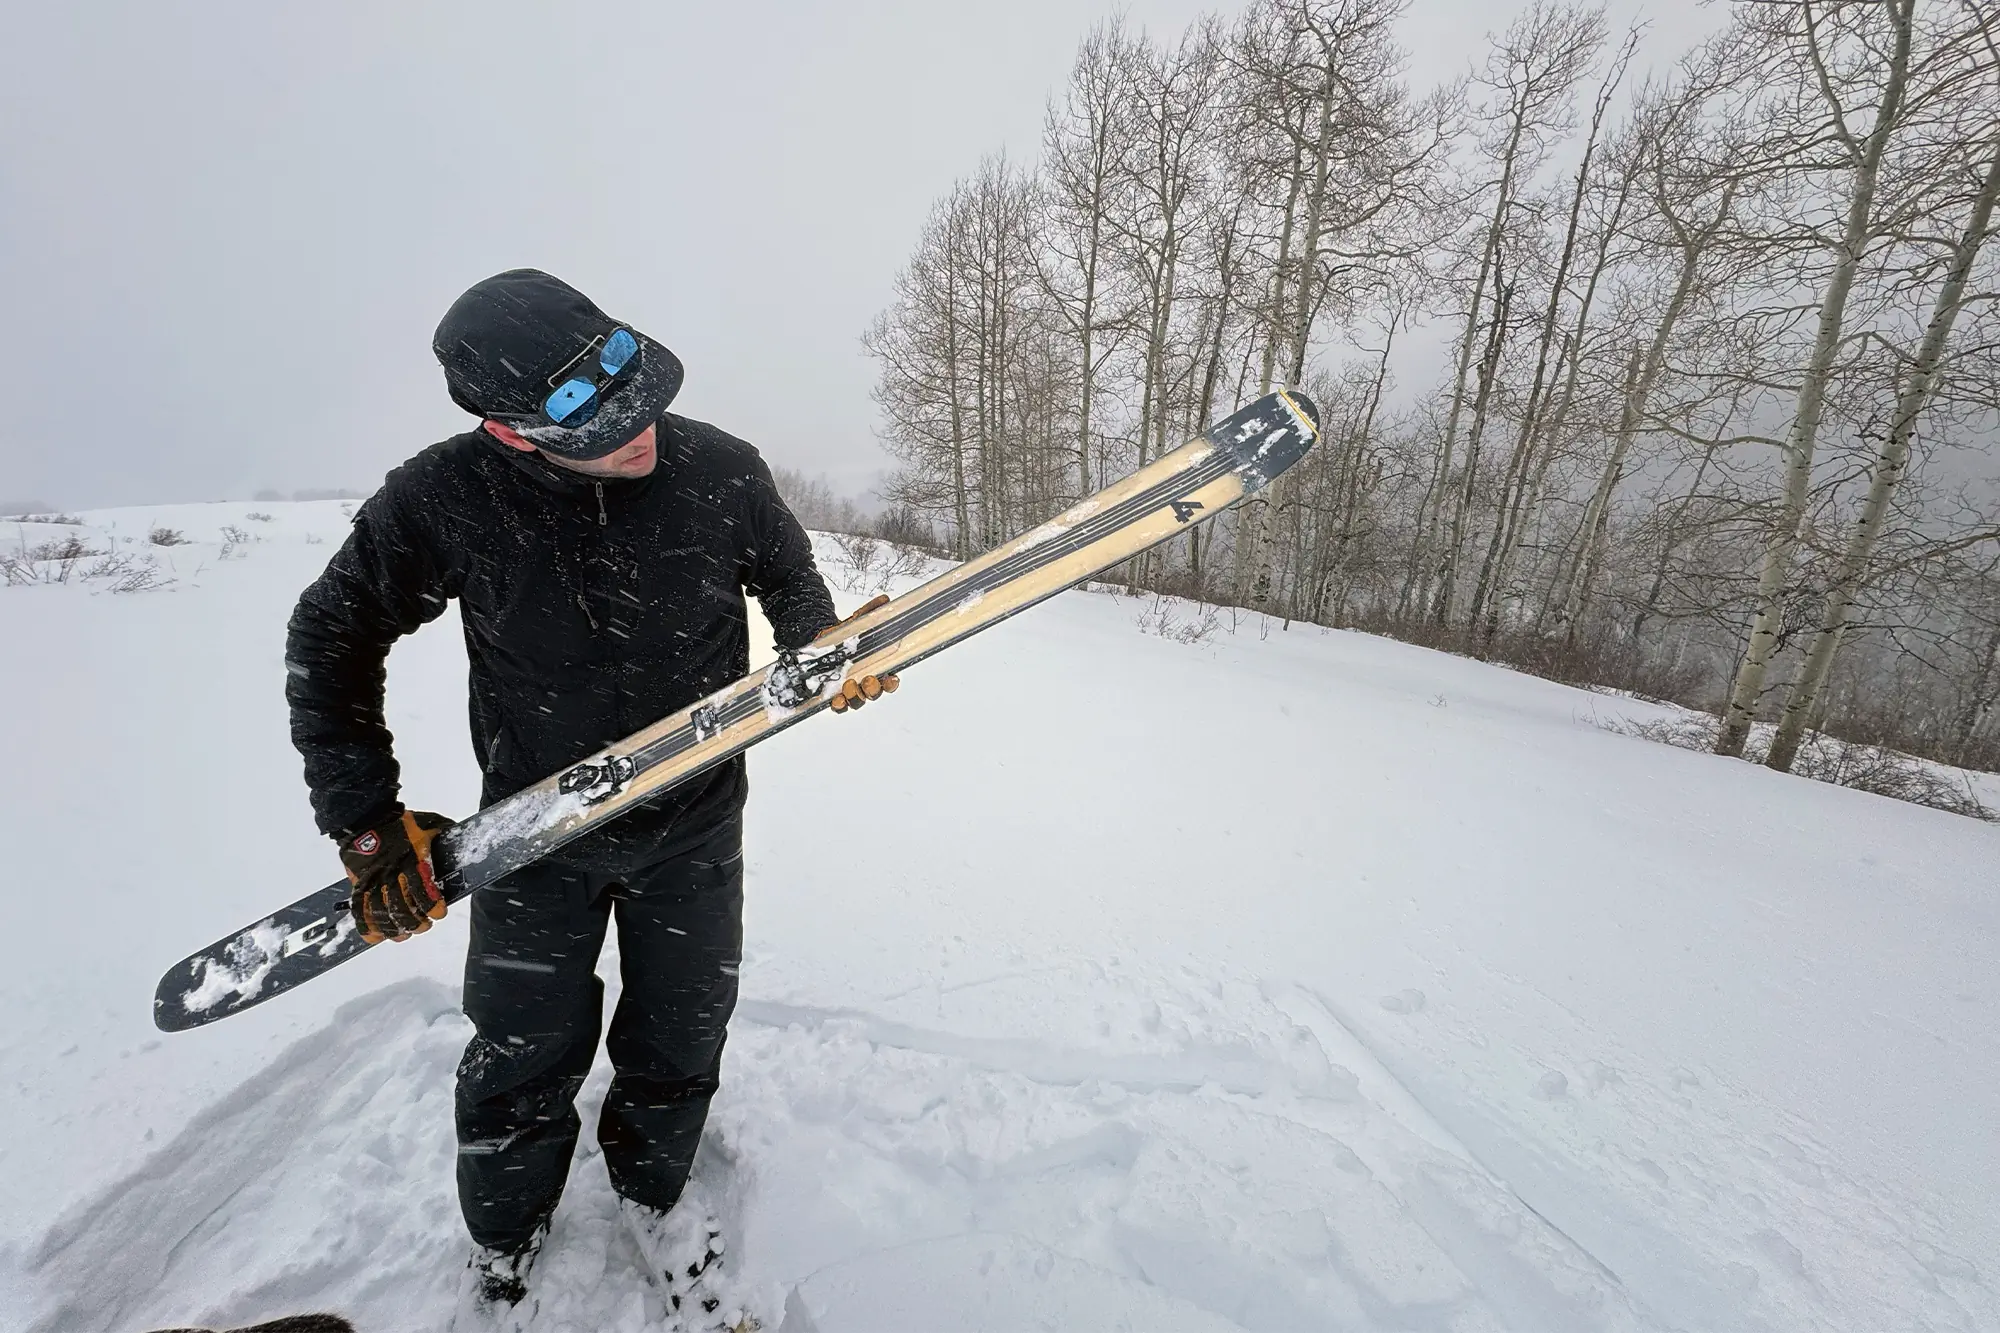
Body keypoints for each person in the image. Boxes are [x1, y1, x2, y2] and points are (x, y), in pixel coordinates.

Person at [284, 269, 890, 1321]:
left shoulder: (719, 471)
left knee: (682, 1034)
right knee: (521, 1053)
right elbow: (329, 636)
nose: (639, 427)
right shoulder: (441, 500)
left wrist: (816, 645)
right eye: (594, 421)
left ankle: (653, 1189)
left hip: (694, 826)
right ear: (509, 429)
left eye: (635, 385)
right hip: (535, 843)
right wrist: (368, 821)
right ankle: (506, 1231)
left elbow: (788, 577)